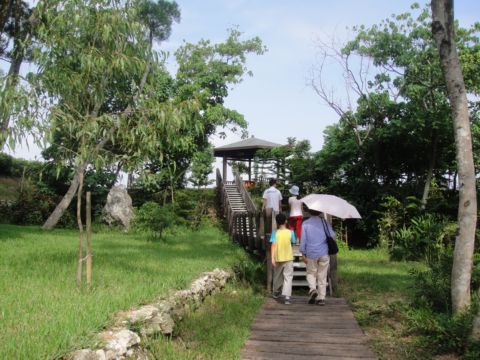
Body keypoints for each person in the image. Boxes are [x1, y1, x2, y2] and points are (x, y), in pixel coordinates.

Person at [300, 208, 335, 306]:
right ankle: (321, 298)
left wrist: (303, 253)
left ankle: (312, 289)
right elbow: (332, 234)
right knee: (322, 275)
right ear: (319, 212)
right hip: (323, 252)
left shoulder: (305, 224)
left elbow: (303, 241)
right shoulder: (324, 222)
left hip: (311, 253)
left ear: (309, 212)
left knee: (311, 273)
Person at [270, 213, 297, 305]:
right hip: (288, 258)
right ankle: (287, 297)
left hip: (278, 258)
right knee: (288, 277)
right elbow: (293, 242)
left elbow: (273, 245)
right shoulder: (291, 232)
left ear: (277, 222)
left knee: (277, 276)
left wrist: (272, 258)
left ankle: (276, 291)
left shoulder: (275, 232)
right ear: (286, 221)